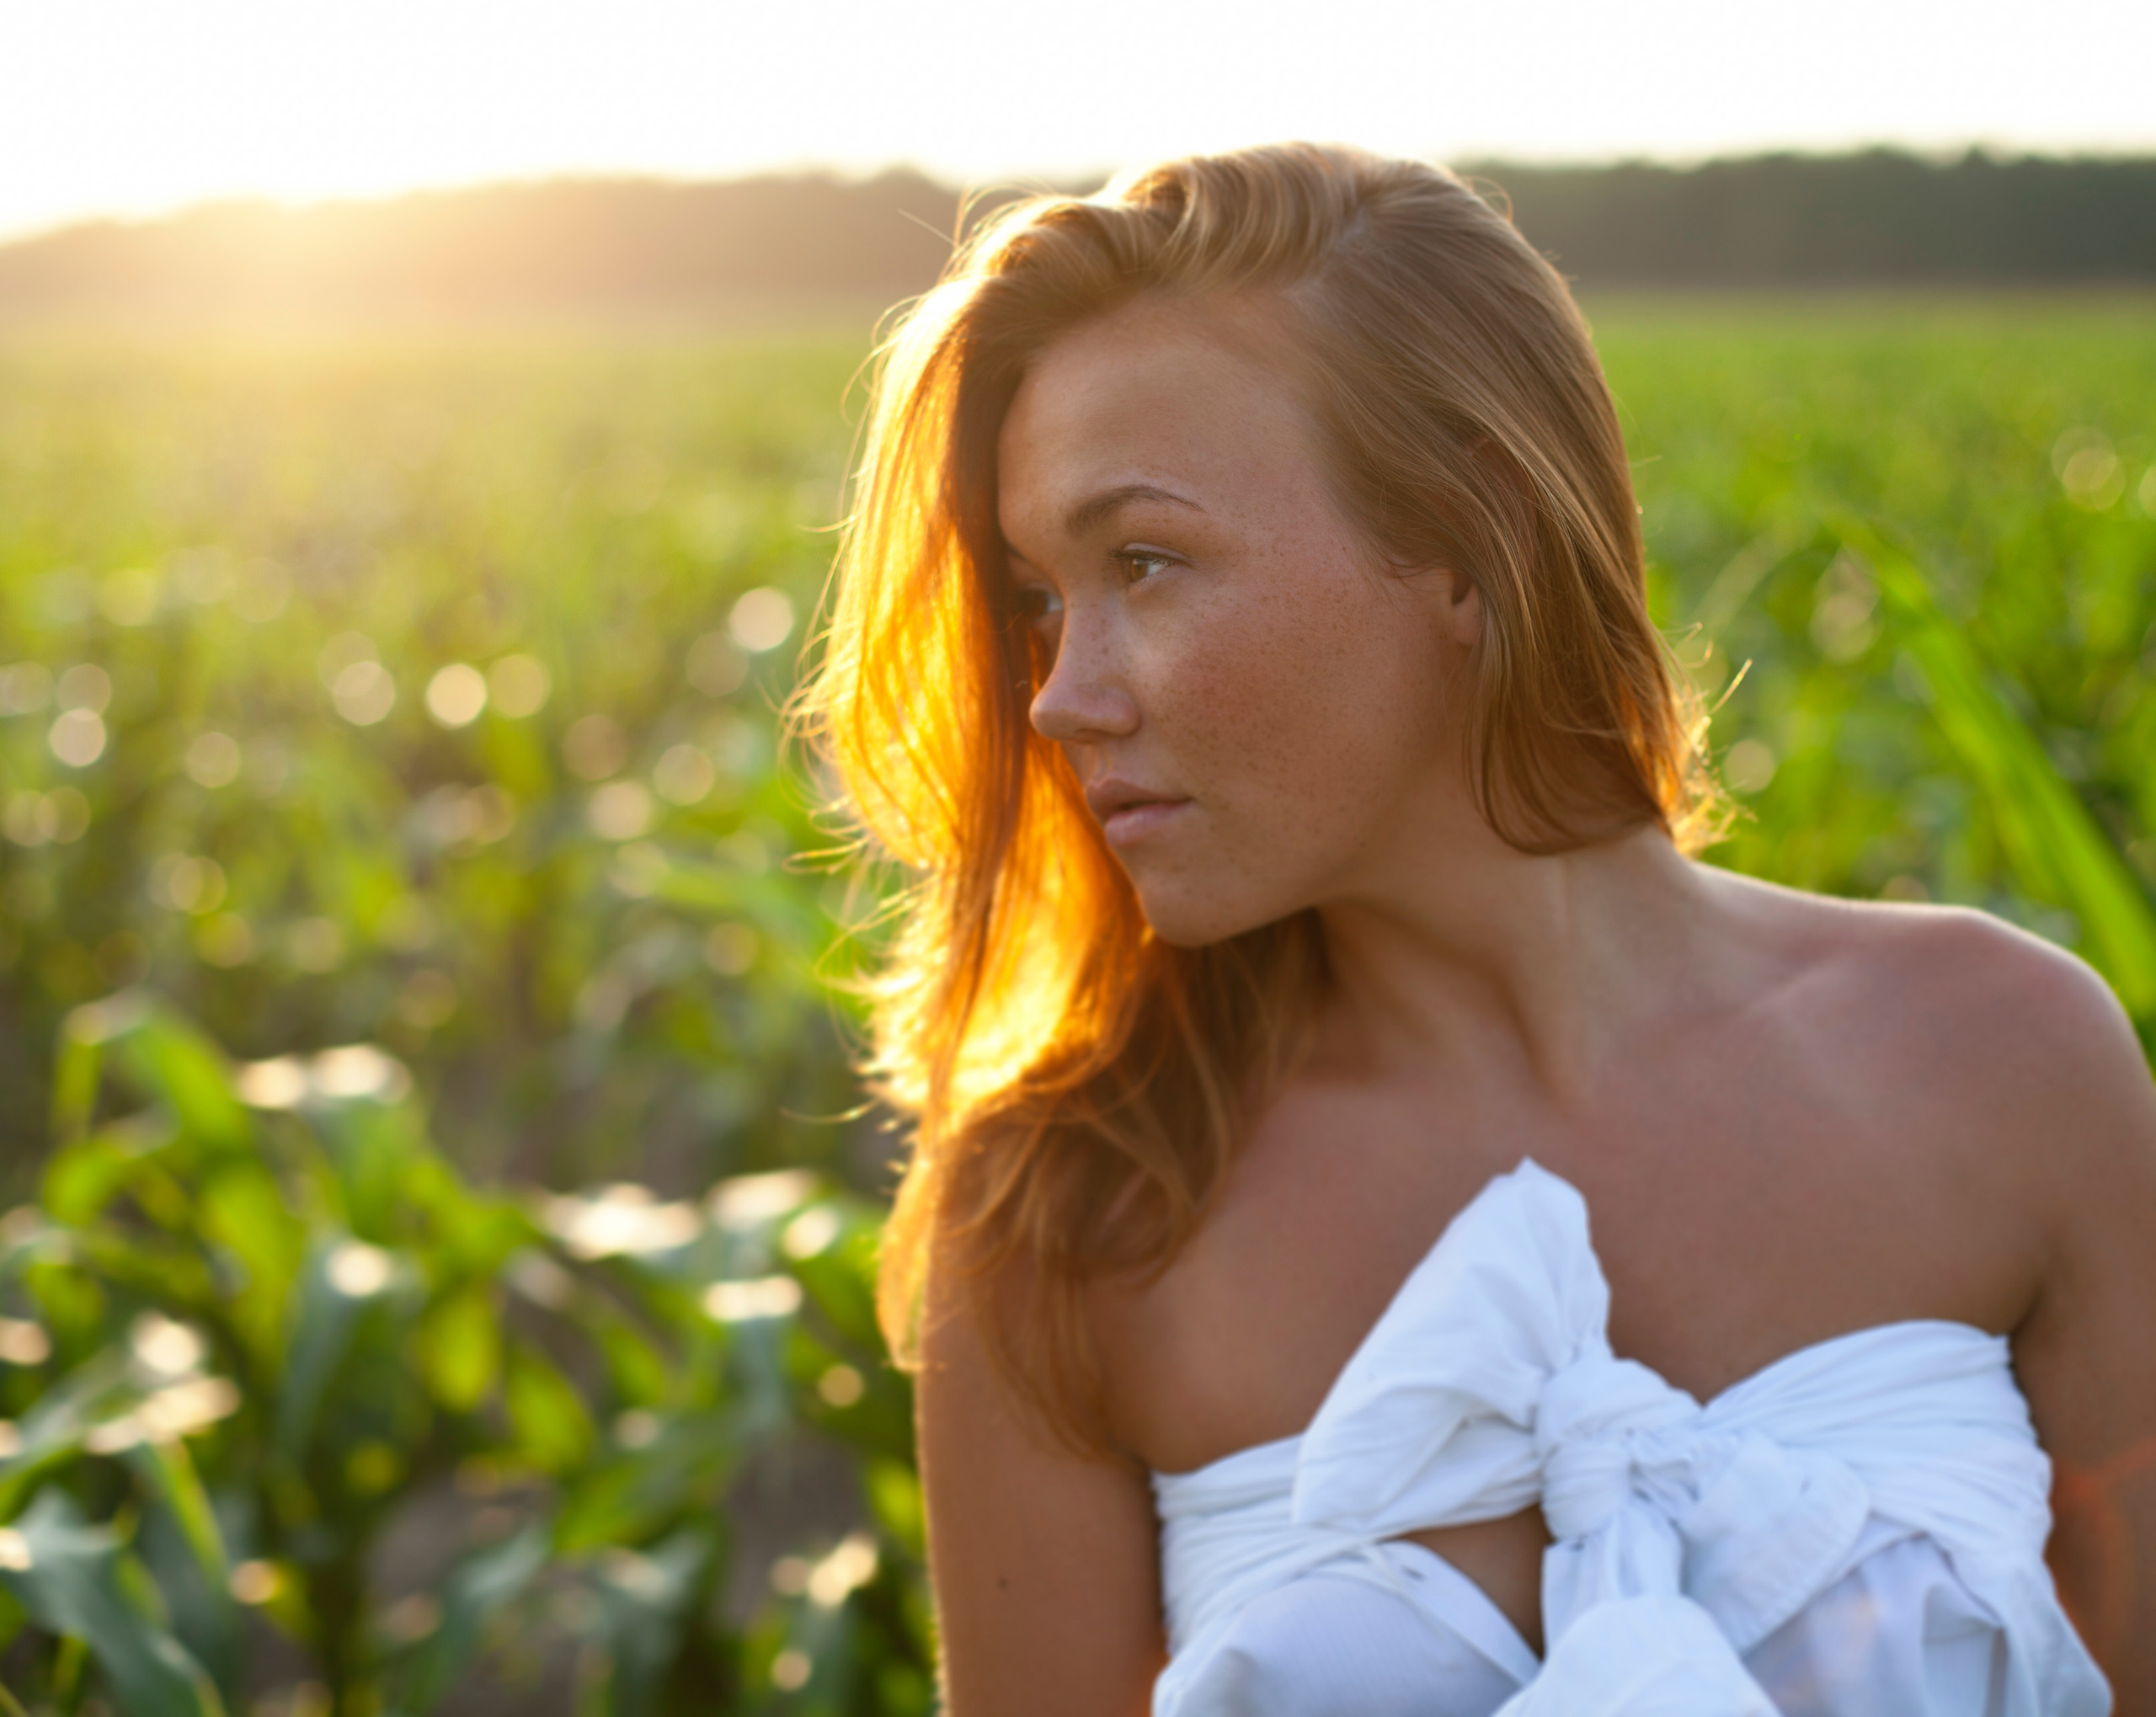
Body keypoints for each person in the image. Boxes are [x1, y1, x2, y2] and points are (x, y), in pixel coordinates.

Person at [799, 142, 2155, 1714]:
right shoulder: (1069, 1216)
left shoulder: (2007, 1060)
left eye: (1145, 564)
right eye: (1038, 599)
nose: (1059, 696)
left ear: (1468, 535)